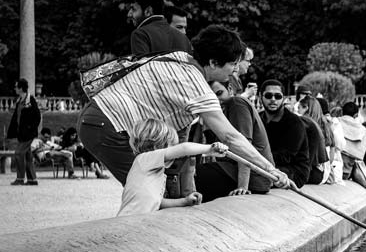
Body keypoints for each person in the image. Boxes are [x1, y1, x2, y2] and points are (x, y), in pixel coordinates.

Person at [76, 24, 290, 190]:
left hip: (96, 118)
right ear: (214, 62)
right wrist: (271, 170)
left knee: (149, 188)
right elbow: (232, 138)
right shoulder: (198, 88)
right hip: (107, 126)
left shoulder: (179, 57)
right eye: (232, 64)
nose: (234, 71)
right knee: (145, 190)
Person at [118, 118, 224, 216]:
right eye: (172, 146)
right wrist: (210, 149)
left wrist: (185, 201)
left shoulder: (153, 171)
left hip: (140, 221)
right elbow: (184, 148)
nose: (175, 153)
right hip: (128, 219)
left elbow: (158, 201)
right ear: (157, 145)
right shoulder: (144, 159)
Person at [198, 81, 274, 201]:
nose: (216, 100)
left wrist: (242, 187)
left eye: (219, 93)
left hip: (254, 178)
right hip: (234, 170)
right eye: (211, 97)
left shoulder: (236, 104)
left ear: (229, 89)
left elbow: (244, 147)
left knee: (197, 176)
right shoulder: (220, 113)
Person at [260, 79, 310, 187]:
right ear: (261, 97)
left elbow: (286, 156)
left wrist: (257, 158)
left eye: (277, 96)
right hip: (268, 164)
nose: (273, 100)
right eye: (268, 95)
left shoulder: (294, 122)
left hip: (294, 170)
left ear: (283, 98)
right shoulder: (258, 119)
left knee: (258, 176)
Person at [126, 0, 193, 55]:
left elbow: (141, 65)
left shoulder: (140, 34)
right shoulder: (184, 39)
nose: (129, 14)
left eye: (133, 9)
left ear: (148, 11)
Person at [6, 79, 41, 185]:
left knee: (18, 153)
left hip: (28, 134)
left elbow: (37, 116)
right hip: (21, 133)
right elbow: (16, 117)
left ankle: (20, 179)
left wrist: (31, 128)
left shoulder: (30, 100)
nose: (15, 88)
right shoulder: (20, 100)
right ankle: (32, 180)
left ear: (21, 88)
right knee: (27, 155)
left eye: (16, 87)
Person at [296, 93, 331, 185]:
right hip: (323, 172)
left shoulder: (305, 123)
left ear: (306, 108)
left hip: (313, 173)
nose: (297, 111)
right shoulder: (324, 123)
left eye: (299, 108)